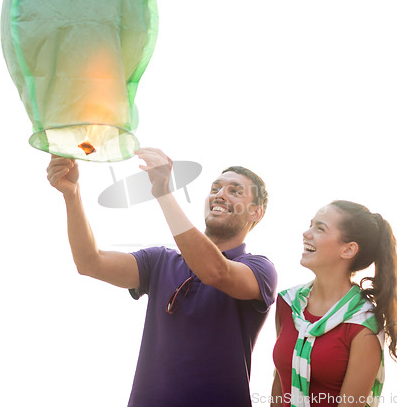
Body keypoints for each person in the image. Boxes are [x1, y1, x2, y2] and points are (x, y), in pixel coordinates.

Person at [46, 147, 277, 407]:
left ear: (256, 212)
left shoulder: (260, 269)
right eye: (215, 188)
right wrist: (72, 193)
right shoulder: (159, 261)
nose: (220, 195)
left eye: (235, 191)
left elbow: (216, 272)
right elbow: (90, 262)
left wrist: (163, 192)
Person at [271, 201, 397, 407]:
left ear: (348, 249)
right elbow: (280, 384)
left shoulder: (363, 323)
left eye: (320, 228)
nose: (306, 233)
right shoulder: (288, 303)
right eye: (311, 225)